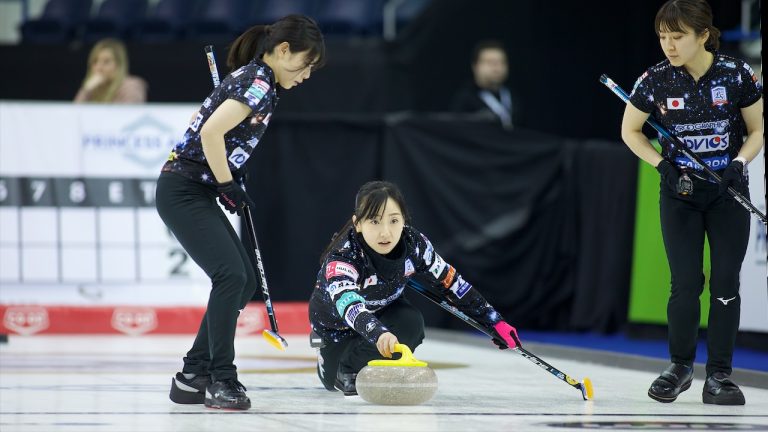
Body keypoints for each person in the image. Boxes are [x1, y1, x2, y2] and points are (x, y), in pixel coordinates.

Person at [156, 15, 325, 410]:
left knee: (243, 280)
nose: (307, 75)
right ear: (283, 51)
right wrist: (226, 182)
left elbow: (222, 137)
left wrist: (230, 172)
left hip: (195, 188)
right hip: (183, 189)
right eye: (306, 64)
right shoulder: (257, 81)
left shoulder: (260, 81)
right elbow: (210, 133)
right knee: (231, 275)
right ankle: (220, 378)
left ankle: (192, 376)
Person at [621, 0, 762, 406]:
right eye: (663, 36)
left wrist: (739, 161)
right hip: (680, 193)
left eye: (677, 36)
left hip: (727, 194)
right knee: (685, 284)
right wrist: (660, 163)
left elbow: (757, 130)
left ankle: (719, 376)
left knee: (725, 284)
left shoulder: (736, 75)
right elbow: (630, 131)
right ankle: (680, 366)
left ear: (703, 35)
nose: (669, 45)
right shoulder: (655, 80)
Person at [309, 181, 522, 395]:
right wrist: (378, 333)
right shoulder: (343, 257)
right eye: (374, 221)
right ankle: (339, 367)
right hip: (338, 332)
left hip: (382, 315)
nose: (385, 233)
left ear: (404, 219)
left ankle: (361, 364)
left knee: (411, 323)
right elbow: (349, 304)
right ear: (358, 224)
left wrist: (495, 322)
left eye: (393, 221)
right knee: (334, 380)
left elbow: (454, 284)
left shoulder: (415, 244)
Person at [451, 40, 516, 129]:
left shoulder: (512, 97)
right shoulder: (464, 98)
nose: (497, 68)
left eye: (502, 62)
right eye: (490, 62)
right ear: (475, 66)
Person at [74, 38, 147, 103]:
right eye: (95, 61)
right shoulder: (92, 88)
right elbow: (74, 114)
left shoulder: (131, 86)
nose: (99, 67)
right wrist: (86, 89)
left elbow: (128, 115)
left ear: (119, 65)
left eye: (106, 62)